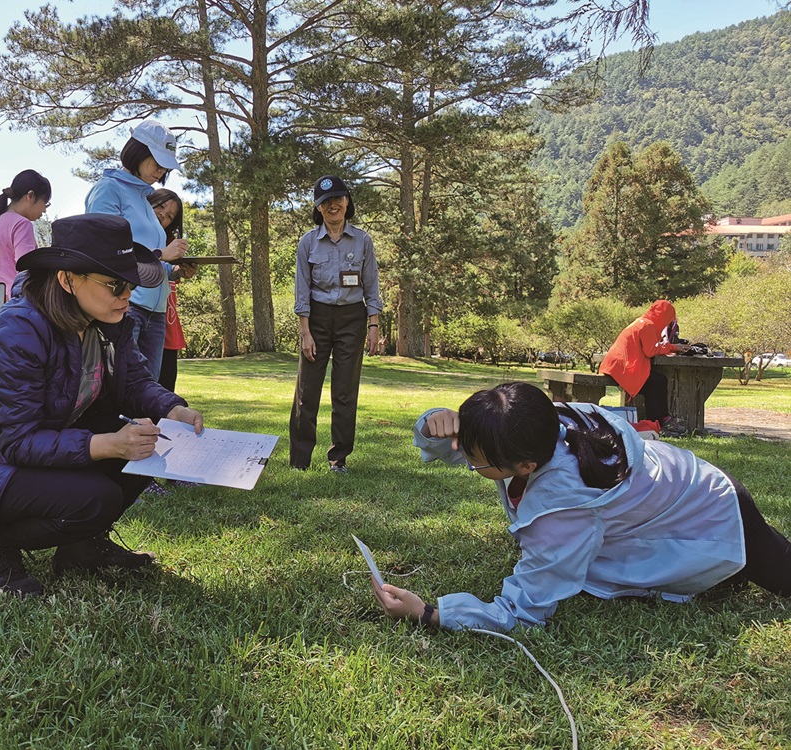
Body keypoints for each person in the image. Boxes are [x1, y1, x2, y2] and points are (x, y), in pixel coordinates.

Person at [0, 213, 204, 596]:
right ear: (67, 279)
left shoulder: (109, 320)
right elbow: (18, 441)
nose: (127, 295)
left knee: (146, 452)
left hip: (27, 446)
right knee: (96, 498)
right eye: (115, 283)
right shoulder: (16, 330)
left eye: (131, 284)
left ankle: (81, 547)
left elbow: (134, 381)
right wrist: (109, 445)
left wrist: (174, 410)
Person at [372, 382, 791, 632]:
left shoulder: (562, 506)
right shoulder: (535, 419)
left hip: (715, 512)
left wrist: (429, 612)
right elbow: (469, 441)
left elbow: (522, 609)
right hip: (692, 482)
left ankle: (731, 570)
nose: (467, 460)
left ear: (525, 466)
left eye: (474, 459)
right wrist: (432, 422)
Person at [289, 175, 383, 473]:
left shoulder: (363, 240)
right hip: (316, 319)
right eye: (326, 202)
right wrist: (305, 333)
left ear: (347, 202)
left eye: (338, 199)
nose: (333, 205)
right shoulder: (307, 242)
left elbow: (371, 285)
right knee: (308, 390)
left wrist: (374, 325)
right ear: (318, 208)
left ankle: (338, 458)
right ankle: (300, 460)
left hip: (351, 318)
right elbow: (302, 290)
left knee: (345, 391)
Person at [85, 120, 188, 380]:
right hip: (125, 305)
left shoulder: (143, 198)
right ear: (138, 152)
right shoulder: (109, 189)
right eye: (157, 162)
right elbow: (102, 250)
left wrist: (175, 270)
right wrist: (162, 254)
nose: (161, 170)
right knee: (121, 383)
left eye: (165, 166)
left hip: (155, 310)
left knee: (147, 387)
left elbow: (153, 259)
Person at [599, 299, 690, 431]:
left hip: (615, 366)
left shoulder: (641, 321)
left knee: (652, 388)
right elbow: (650, 351)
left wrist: (669, 347)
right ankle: (663, 420)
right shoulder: (648, 325)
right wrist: (673, 347)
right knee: (660, 380)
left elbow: (650, 346)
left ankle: (656, 423)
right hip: (623, 369)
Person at [148, 188, 195, 393]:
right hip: (143, 320)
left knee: (166, 389)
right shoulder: (136, 236)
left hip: (167, 323)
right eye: (159, 207)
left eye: (169, 217)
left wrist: (181, 270)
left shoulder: (171, 245)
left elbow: (170, 275)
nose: (162, 216)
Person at [0, 169, 51, 295]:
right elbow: (27, 270)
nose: (44, 210)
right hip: (16, 301)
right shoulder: (22, 224)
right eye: (45, 203)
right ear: (30, 196)